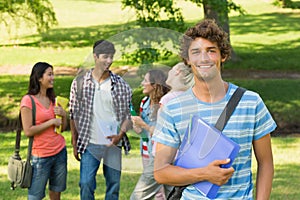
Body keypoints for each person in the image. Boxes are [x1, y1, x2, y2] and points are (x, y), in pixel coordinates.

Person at [152, 19, 276, 199]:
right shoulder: (173, 109)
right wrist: (204, 174)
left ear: (222, 55)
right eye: (196, 52)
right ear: (187, 59)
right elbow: (161, 172)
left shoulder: (251, 102)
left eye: (211, 51)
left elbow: (266, 163)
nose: (203, 58)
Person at [69, 39, 132, 200]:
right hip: (90, 143)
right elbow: (73, 113)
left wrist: (120, 135)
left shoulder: (120, 85)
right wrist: (74, 142)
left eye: (111, 57)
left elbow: (127, 116)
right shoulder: (80, 83)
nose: (109, 61)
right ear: (95, 56)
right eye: (105, 57)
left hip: (113, 144)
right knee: (85, 183)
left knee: (113, 186)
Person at [20, 62, 68, 200]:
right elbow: (28, 131)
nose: (53, 77)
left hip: (59, 152)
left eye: (53, 74)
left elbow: (61, 129)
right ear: (39, 78)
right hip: (41, 156)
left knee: (56, 193)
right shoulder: (28, 101)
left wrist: (63, 115)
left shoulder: (53, 99)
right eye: (50, 74)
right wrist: (51, 122)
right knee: (35, 196)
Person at [130, 69, 170, 200]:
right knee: (157, 191)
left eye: (145, 81)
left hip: (160, 152)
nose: (142, 83)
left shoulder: (164, 104)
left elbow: (161, 133)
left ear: (154, 85)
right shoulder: (144, 102)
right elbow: (141, 131)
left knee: (165, 189)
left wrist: (143, 124)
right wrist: (136, 124)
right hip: (146, 151)